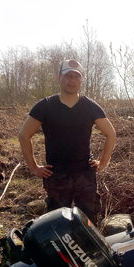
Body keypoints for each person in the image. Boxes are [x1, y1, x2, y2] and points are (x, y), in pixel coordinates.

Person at [18, 59, 116, 224]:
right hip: (56, 174)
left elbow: (111, 134)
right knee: (57, 221)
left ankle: (88, 248)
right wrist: (34, 167)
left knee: (89, 221)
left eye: (76, 77)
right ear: (59, 77)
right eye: (68, 76)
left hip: (85, 172)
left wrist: (104, 162)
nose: (72, 80)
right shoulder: (45, 106)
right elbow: (24, 135)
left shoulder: (90, 107)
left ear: (81, 79)